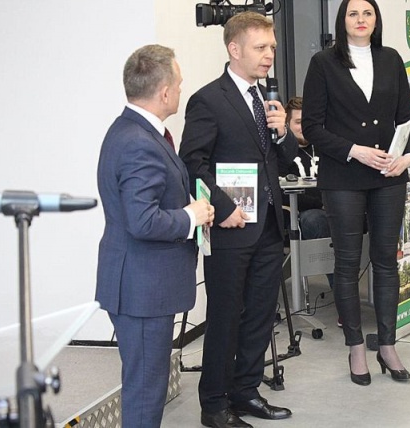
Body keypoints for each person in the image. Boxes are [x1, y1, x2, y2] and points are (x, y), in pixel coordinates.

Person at [179, 12, 297, 428]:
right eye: (261, 47)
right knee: (226, 318)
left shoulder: (267, 100)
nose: (269, 55)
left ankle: (246, 391)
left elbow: (285, 160)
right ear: (234, 49)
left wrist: (283, 132)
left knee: (261, 316)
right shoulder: (208, 100)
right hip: (229, 229)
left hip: (268, 227)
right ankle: (214, 405)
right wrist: (224, 206)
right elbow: (191, 163)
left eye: (272, 48)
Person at [95, 44, 214, 427]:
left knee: (145, 387)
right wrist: (191, 216)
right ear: (164, 93)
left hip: (140, 284)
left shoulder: (132, 131)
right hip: (142, 289)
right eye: (178, 84)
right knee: (146, 393)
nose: (180, 90)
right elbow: (142, 220)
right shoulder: (138, 143)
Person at [301, 0, 410, 386]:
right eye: (353, 13)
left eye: (367, 13)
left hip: (388, 176)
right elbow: (312, 128)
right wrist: (354, 150)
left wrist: (408, 157)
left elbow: (407, 117)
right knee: (348, 264)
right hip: (343, 176)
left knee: (385, 263)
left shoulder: (391, 59)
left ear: (376, 20)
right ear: (342, 20)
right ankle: (355, 347)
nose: (361, 19)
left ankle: (387, 346)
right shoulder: (323, 63)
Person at [281, 96, 334, 289]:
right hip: (302, 214)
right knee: (315, 219)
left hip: (333, 207)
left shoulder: (325, 147)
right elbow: (282, 193)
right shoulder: (281, 153)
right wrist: (321, 203)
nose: (304, 126)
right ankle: (341, 292)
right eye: (298, 122)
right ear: (286, 124)